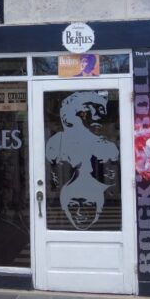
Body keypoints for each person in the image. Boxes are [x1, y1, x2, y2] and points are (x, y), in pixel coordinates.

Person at [44, 92, 119, 230]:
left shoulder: (107, 147)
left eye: (100, 111)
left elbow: (112, 183)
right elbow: (53, 177)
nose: (97, 117)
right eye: (88, 112)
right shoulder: (56, 145)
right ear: (67, 119)